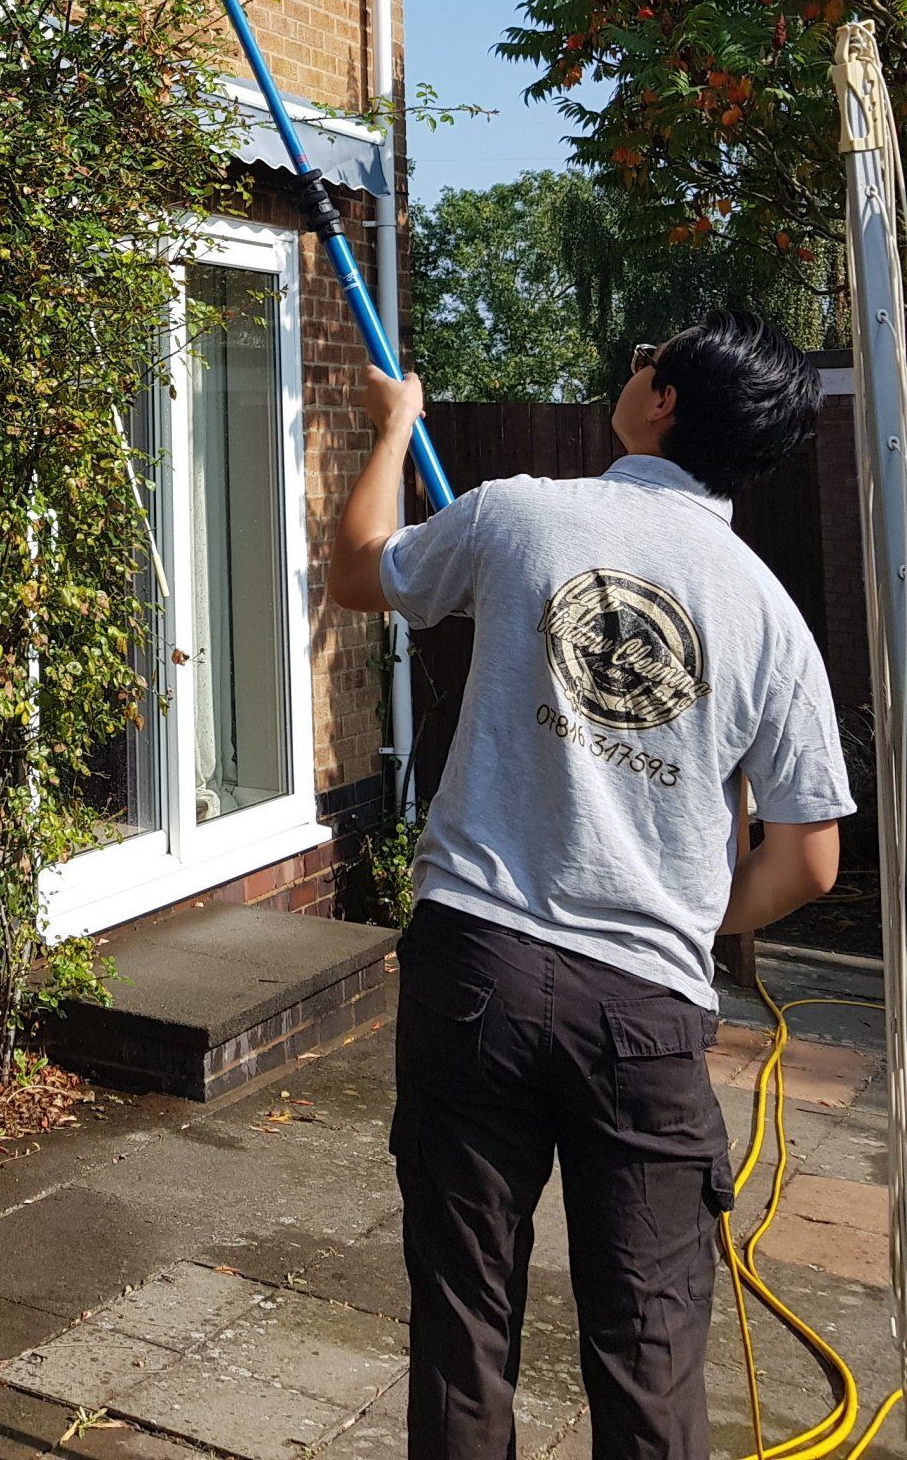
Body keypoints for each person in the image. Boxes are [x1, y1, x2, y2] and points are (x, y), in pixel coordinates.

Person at [328, 313, 853, 1460]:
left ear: (663, 402)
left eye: (645, 357)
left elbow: (357, 569)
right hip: (646, 1016)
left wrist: (394, 427)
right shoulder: (771, 615)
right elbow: (810, 856)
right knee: (650, 1348)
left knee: (465, 1324)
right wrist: (694, 913)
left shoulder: (521, 512)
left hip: (476, 973)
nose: (631, 366)